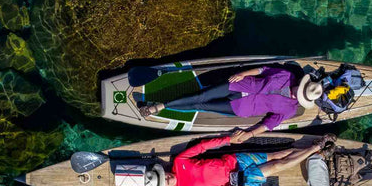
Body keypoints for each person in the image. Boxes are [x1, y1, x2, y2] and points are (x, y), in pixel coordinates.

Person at [139, 66, 324, 143]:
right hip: (239, 84)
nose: (296, 93)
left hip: (241, 108)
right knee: (201, 96)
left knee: (202, 106)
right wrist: (243, 73)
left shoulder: (290, 109)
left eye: (300, 96)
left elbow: (269, 124)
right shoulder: (287, 75)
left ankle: (164, 106)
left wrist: (249, 133)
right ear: (302, 85)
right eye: (300, 89)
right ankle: (161, 106)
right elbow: (263, 70)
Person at [159, 131, 337, 186]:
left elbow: (202, 146)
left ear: (164, 171)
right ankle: (316, 149)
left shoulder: (179, 162)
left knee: (279, 154)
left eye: (162, 176)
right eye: (163, 182)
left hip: (234, 160)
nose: (166, 179)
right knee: (276, 166)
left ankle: (317, 151)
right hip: (238, 182)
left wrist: (228, 140)